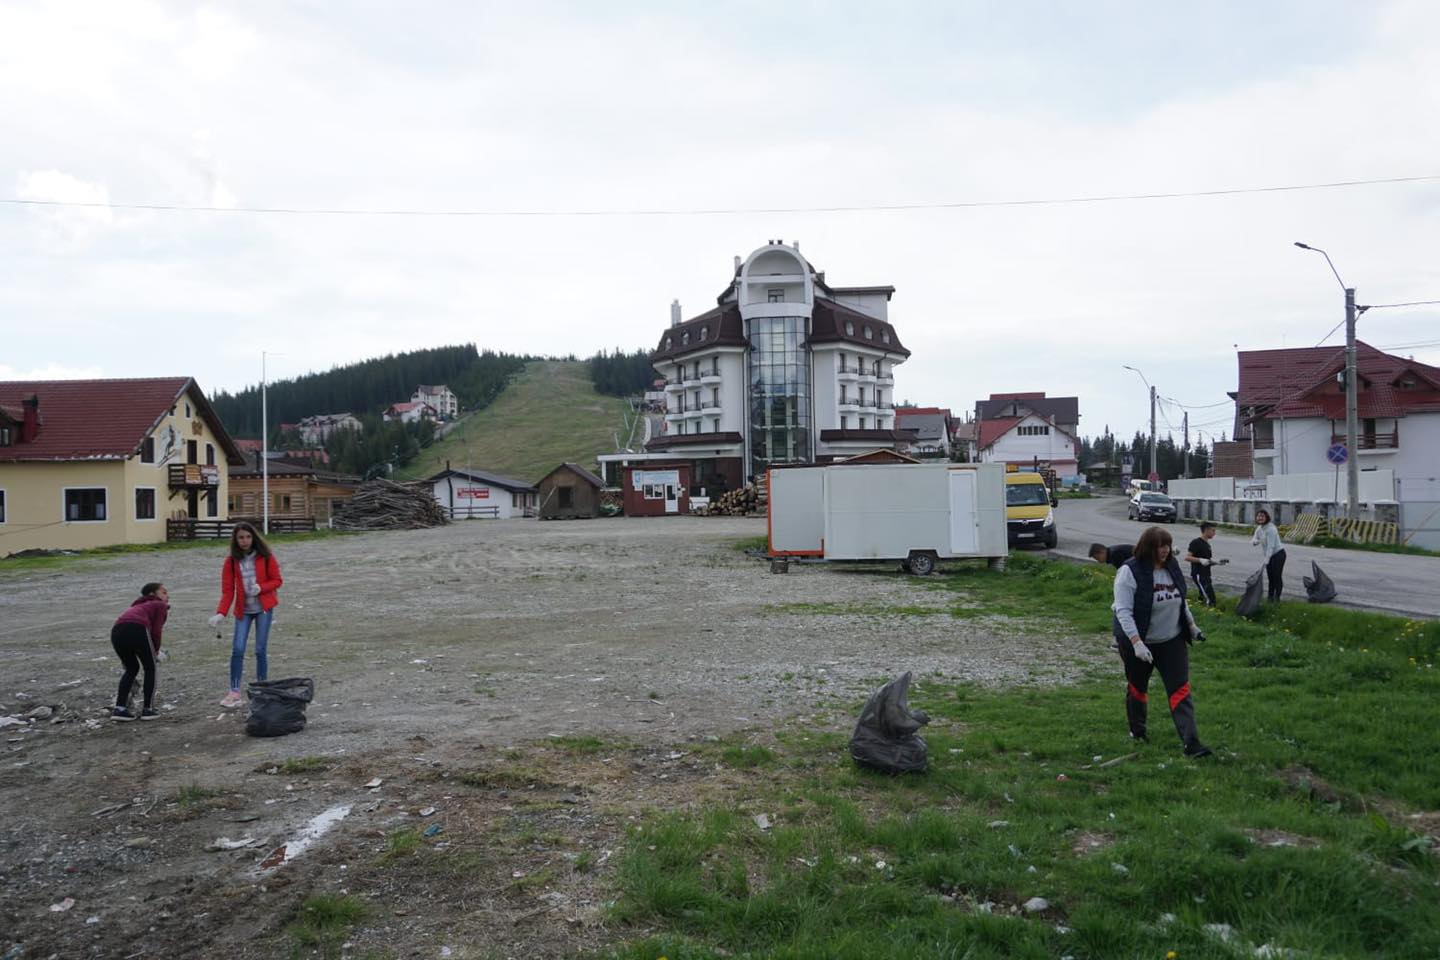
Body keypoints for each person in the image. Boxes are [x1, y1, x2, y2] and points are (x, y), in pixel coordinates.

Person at [1112, 526, 1211, 758]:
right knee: (1137, 688)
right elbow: (1123, 611)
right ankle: (1138, 732)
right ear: (1148, 547)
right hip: (1139, 642)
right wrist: (1137, 643)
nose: (1165, 550)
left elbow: (1180, 600)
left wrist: (1191, 626)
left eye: (1167, 545)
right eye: (1160, 546)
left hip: (1171, 640)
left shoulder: (1171, 567)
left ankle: (1191, 743)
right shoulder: (1129, 572)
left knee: (1180, 689)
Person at [209, 521, 284, 708]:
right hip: (244, 611)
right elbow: (228, 590)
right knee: (238, 649)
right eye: (241, 537)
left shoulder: (266, 556)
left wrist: (262, 588)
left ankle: (262, 689)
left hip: (263, 609)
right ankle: (234, 692)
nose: (244, 541)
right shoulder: (231, 561)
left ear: (254, 537)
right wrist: (221, 613)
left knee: (260, 650)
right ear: (235, 540)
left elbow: (277, 580)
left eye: (248, 537)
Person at [110, 582, 169, 721]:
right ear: (152, 594)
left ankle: (120, 709)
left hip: (116, 631)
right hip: (137, 628)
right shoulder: (159, 605)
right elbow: (156, 631)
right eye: (164, 592)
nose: (167, 595)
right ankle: (148, 709)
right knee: (150, 668)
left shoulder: (137, 606)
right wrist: (155, 652)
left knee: (131, 668)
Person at [1183, 522, 1228, 606]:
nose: (1214, 533)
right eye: (1213, 531)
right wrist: (1200, 560)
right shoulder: (1196, 542)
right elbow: (1187, 557)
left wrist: (1217, 562)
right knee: (1210, 599)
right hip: (1199, 574)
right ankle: (1209, 611)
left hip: (1206, 574)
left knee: (1203, 596)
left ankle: (1200, 610)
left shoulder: (1207, 544)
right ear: (1206, 530)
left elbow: (1207, 561)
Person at [1251, 509, 1286, 602]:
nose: (1260, 518)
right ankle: (1270, 598)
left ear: (1266, 517)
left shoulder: (1271, 529)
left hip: (1278, 554)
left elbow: (1271, 546)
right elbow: (1253, 539)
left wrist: (1266, 559)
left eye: (1262, 516)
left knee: (1276, 576)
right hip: (1269, 555)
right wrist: (1256, 541)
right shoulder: (1259, 528)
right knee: (1270, 577)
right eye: (1258, 516)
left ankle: (1277, 598)